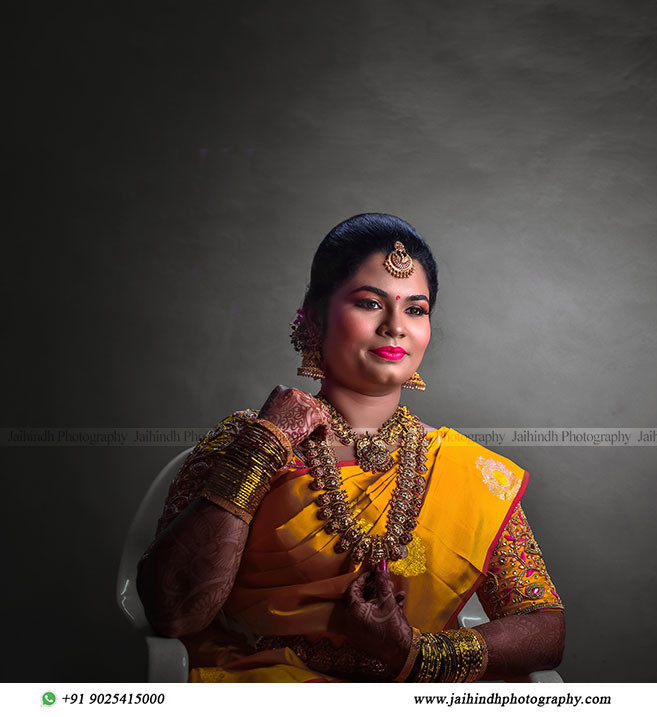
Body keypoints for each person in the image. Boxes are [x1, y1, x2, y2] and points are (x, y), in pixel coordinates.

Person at [136, 213, 565, 682]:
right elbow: (172, 612)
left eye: (416, 309)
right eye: (369, 303)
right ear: (315, 316)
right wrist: (263, 448)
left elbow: (544, 628)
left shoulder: (468, 471)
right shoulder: (247, 442)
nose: (395, 327)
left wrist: (416, 653)